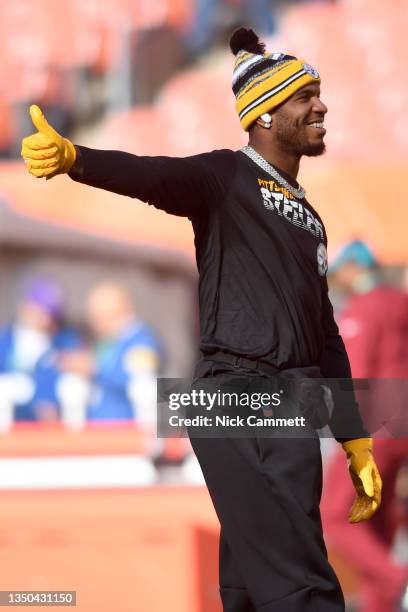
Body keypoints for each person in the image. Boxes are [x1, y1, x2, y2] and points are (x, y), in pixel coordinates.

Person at [21, 27, 383, 612]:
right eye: (304, 95)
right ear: (264, 114)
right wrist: (76, 159)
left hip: (290, 403)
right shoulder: (225, 176)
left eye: (319, 91)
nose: (321, 105)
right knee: (302, 586)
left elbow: (325, 334)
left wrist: (356, 437)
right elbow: (152, 174)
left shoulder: (311, 219)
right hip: (237, 396)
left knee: (246, 590)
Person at [321, 240, 408, 612]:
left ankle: (399, 582)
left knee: (335, 514)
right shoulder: (399, 302)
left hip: (376, 426)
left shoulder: (364, 308)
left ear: (353, 269)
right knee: (378, 525)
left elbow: (353, 375)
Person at [58, 280, 162, 424]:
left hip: (125, 431)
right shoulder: (107, 341)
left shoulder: (142, 342)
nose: (93, 321)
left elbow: (140, 378)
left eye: (98, 315)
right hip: (98, 429)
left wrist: (94, 367)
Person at [0, 278, 82, 426]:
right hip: (11, 422)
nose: (44, 318)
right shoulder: (5, 341)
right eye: (40, 309)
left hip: (50, 425)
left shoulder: (63, 340)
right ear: (25, 306)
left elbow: (70, 366)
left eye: (50, 313)